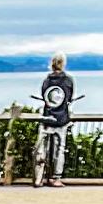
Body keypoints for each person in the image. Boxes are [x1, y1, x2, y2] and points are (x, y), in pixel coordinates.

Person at [35, 54, 73, 187]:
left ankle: (39, 176)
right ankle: (55, 177)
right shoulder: (68, 80)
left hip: (47, 117)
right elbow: (68, 98)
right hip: (61, 119)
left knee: (41, 148)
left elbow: (44, 96)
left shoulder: (46, 80)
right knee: (59, 149)